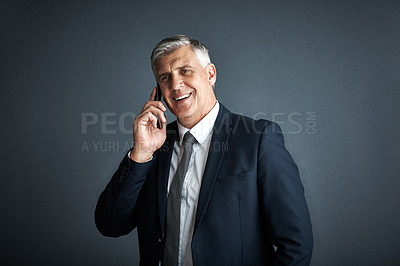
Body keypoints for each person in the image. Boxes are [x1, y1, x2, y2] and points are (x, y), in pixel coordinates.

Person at [95, 35, 313, 266]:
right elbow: (110, 225)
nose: (175, 85)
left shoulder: (257, 139)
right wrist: (140, 153)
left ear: (210, 74)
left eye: (185, 71)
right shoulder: (153, 147)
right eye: (165, 77)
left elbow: (296, 244)